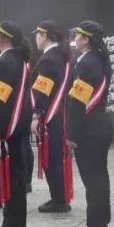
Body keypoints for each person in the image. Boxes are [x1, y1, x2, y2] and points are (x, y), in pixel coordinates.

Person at [67, 21, 113, 227]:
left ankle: (96, 226)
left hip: (89, 127)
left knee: (93, 179)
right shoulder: (98, 60)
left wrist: (71, 134)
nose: (74, 39)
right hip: (99, 124)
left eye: (77, 36)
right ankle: (100, 222)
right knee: (99, 177)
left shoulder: (86, 64)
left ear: (86, 39)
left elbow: (78, 102)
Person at [0, 21, 32, 227]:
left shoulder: (4, 61)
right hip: (19, 125)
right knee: (17, 175)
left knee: (11, 176)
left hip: (8, 127)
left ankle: (11, 223)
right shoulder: (19, 59)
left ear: (4, 38)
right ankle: (17, 222)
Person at [31, 20, 72, 213]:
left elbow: (42, 91)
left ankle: (58, 199)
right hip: (61, 113)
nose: (35, 39)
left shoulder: (48, 60)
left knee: (52, 157)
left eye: (37, 35)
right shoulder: (61, 56)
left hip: (50, 115)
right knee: (57, 157)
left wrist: (36, 114)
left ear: (45, 36)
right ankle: (60, 196)